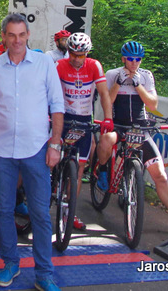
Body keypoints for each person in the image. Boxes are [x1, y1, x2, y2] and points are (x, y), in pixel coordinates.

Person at [0, 13, 64, 291]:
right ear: (4, 37)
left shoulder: (44, 64)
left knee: (40, 213)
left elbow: (57, 105)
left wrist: (55, 144)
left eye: (21, 35)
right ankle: (10, 263)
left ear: (28, 35)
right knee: (3, 211)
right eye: (11, 35)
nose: (16, 40)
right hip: (1, 150)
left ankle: (44, 274)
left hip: (37, 149)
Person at [96, 41, 168, 236]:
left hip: (140, 128)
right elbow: (107, 101)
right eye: (130, 59)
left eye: (138, 59)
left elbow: (153, 105)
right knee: (105, 140)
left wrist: (138, 85)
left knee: (160, 176)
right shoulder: (113, 74)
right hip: (119, 126)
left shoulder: (146, 75)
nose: (134, 62)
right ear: (123, 59)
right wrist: (118, 83)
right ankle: (103, 171)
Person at [55, 32, 113, 231]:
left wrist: (108, 118)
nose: (77, 59)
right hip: (63, 118)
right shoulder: (59, 65)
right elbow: (50, 92)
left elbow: (104, 93)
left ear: (87, 53)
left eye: (81, 55)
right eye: (73, 54)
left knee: (79, 169)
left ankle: (69, 212)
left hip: (84, 120)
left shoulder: (94, 66)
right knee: (52, 160)